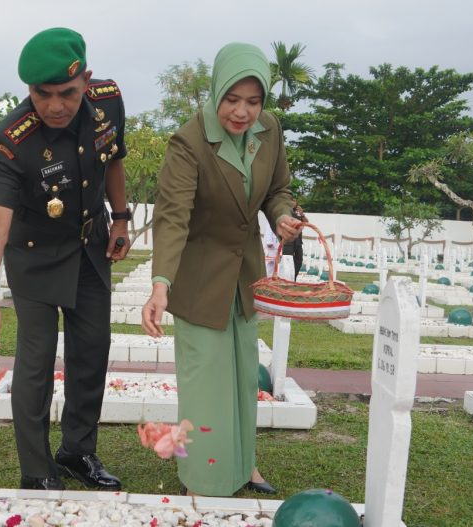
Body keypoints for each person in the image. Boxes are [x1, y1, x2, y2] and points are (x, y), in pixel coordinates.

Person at [0, 27, 131, 491]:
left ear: (87, 82)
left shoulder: (108, 101)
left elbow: (113, 156)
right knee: (36, 365)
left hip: (90, 248)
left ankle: (78, 451)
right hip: (36, 257)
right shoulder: (9, 140)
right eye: (44, 94)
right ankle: (37, 470)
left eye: (67, 93)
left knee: (92, 353)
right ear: (29, 90)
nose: (56, 105)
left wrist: (120, 218)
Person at [141, 42, 302, 497]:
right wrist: (160, 284)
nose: (242, 112)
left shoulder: (270, 130)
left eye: (253, 102)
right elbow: (172, 216)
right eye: (233, 99)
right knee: (206, 382)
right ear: (216, 92)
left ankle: (244, 465)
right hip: (198, 279)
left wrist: (282, 215)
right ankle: (205, 478)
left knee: (241, 375)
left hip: (245, 275)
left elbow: (278, 190)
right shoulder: (189, 141)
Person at [283, 198, 307, 279]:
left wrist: (302, 214)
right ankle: (287, 279)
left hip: (298, 241)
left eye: (294, 200)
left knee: (299, 260)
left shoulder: (298, 212)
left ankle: (294, 278)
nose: (293, 202)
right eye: (291, 200)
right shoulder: (286, 211)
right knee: (288, 261)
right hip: (288, 242)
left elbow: (306, 223)